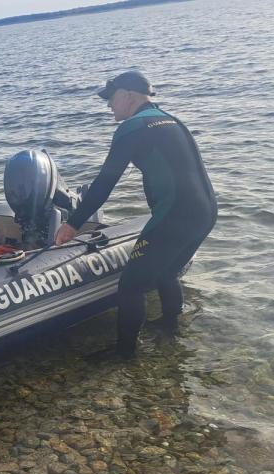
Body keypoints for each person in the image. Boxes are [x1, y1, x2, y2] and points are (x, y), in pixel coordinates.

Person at [55, 71, 217, 358]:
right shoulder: (170, 120)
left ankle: (125, 352)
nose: (108, 107)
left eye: (111, 99)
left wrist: (73, 224)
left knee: (130, 286)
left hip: (176, 217)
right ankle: (170, 327)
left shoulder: (133, 128)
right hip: (206, 211)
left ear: (128, 96)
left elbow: (105, 182)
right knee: (167, 272)